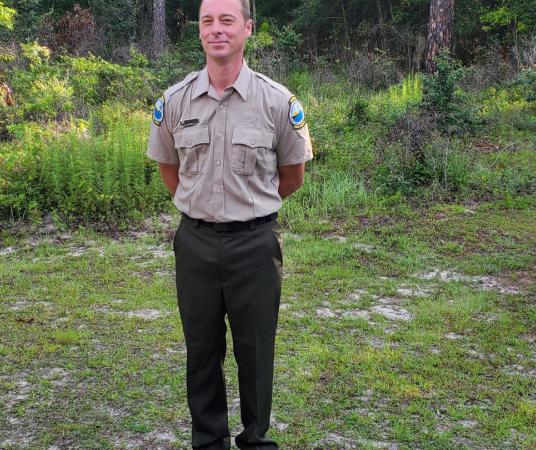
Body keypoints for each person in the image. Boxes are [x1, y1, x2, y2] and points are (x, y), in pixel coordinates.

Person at [146, 0, 312, 448]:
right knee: (201, 351)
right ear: (199, 31)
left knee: (256, 350)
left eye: (226, 20)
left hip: (255, 244)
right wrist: (201, 206)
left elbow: (292, 175)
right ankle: (209, 440)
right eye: (207, 21)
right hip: (195, 244)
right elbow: (169, 168)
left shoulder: (278, 102)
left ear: (247, 28)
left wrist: (249, 208)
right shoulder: (175, 101)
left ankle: (256, 439)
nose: (216, 29)